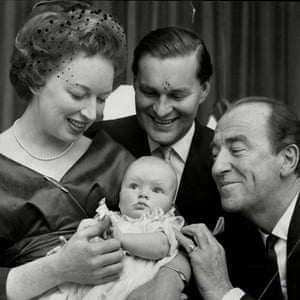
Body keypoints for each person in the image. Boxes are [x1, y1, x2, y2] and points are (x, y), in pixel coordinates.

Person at [0, 1, 137, 299]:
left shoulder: (112, 158)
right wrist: (58, 269)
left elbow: (173, 232)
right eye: (78, 94)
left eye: (101, 99)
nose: (91, 113)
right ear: (36, 78)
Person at [87, 26, 222, 299]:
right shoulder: (95, 143)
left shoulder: (225, 160)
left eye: (176, 96)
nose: (161, 110)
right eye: (149, 92)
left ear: (204, 89)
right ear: (134, 83)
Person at [176, 97, 300, 300]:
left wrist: (223, 293)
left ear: (287, 159)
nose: (217, 168)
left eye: (236, 151)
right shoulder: (235, 230)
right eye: (215, 155)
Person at [39, 156, 185, 299]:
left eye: (157, 190)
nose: (143, 194)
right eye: (134, 186)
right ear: (120, 194)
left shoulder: (164, 225)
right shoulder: (111, 220)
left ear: (171, 205)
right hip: (95, 283)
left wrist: (122, 239)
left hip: (132, 289)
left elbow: (160, 246)